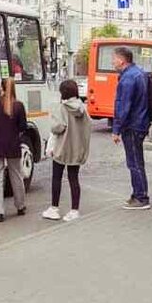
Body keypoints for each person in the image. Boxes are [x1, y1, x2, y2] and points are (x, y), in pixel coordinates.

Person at [42, 79, 92, 222]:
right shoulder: (82, 108)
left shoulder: (62, 108)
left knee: (56, 177)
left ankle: (54, 209)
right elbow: (87, 129)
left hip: (62, 148)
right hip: (76, 149)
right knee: (73, 178)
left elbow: (57, 128)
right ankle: (74, 210)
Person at [111, 46, 152, 210]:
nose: (112, 62)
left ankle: (141, 197)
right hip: (141, 122)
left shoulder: (128, 78)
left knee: (134, 162)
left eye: (114, 59)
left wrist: (116, 129)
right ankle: (137, 193)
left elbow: (123, 105)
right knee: (137, 161)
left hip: (133, 125)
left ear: (121, 60)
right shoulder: (139, 72)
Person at [0, 77, 28, 222]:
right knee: (16, 175)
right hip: (13, 145)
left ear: (1, 87)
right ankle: (20, 206)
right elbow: (23, 127)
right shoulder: (19, 106)